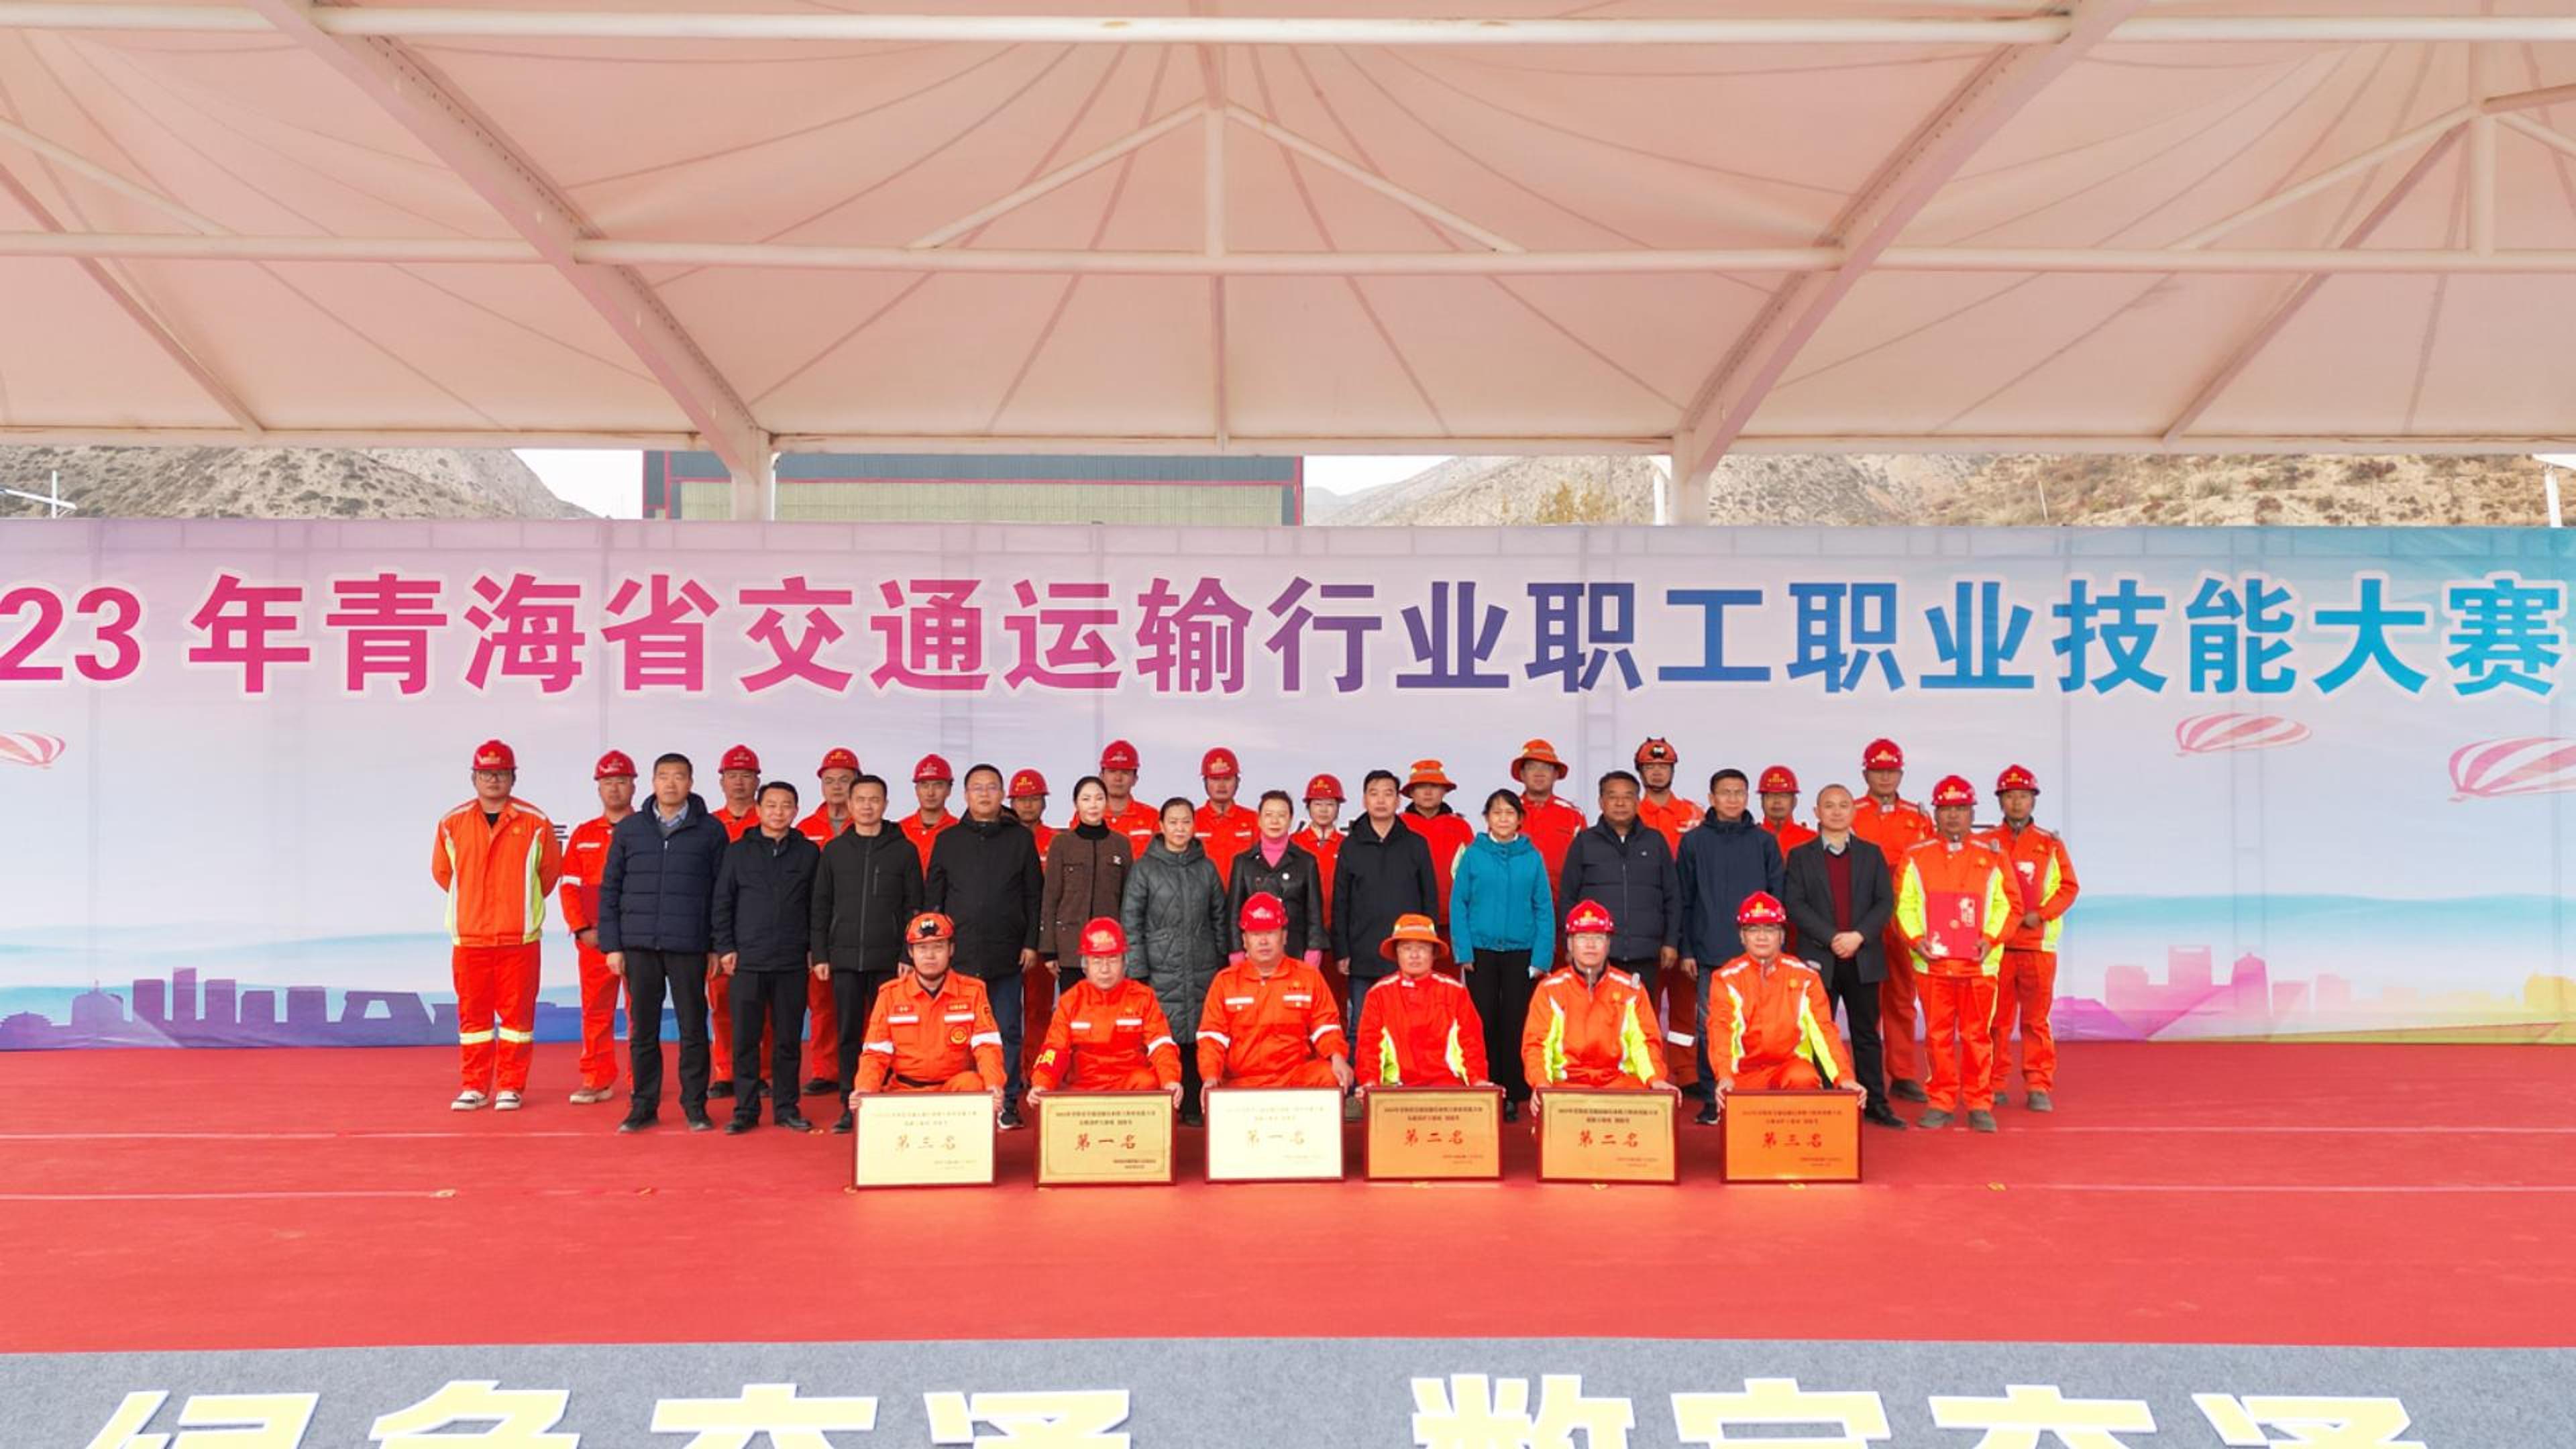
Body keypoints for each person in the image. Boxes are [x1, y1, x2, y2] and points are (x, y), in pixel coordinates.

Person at [598, 752, 729, 1133]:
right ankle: (643, 1105)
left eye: (679, 776)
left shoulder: (711, 831)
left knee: (693, 1028)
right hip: (639, 945)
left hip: (689, 944)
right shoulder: (630, 829)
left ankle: (695, 1106)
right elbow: (611, 889)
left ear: (691, 782)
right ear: (652, 783)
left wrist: (717, 946)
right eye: (664, 776)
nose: (671, 784)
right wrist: (613, 945)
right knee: (643, 1030)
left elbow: (722, 893)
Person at [430, 739, 562, 1112]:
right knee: (473, 1018)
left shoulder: (535, 822)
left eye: (501, 773)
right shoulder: (452, 823)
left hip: (518, 939)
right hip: (470, 939)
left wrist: (518, 907)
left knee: (517, 1019)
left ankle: (510, 1085)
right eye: (486, 774)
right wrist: (474, 905)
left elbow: (549, 874)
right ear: (473, 778)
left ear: (513, 778)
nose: (493, 780)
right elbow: (443, 874)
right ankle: (474, 1085)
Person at [925, 763, 1043, 1128]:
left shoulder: (1020, 839)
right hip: (959, 956)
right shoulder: (948, 840)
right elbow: (934, 900)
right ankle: (961, 1099)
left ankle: (1006, 1102)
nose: (984, 794)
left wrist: (1031, 943)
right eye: (977, 788)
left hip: (1007, 953)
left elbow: (1033, 896)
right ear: (965, 795)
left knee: (1006, 1029)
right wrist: (935, 949)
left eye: (992, 787)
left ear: (1002, 794)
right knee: (956, 1032)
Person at [1894, 775, 2013, 1133]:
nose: (1953, 816)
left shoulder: (1992, 855)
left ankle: (1979, 1102)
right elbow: (1904, 904)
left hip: (1978, 965)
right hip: (1934, 964)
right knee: (1938, 1036)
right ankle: (1942, 1100)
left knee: (1978, 1037)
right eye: (1946, 809)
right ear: (1936, 813)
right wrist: (1916, 939)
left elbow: (2006, 904)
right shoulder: (1916, 855)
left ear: (1972, 812)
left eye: (1961, 808)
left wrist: (1990, 939)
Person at [1781, 784, 1905, 1128]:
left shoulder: (1872, 854)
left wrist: (1858, 936)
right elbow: (1795, 905)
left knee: (1866, 1034)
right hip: (1819, 957)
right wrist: (1832, 937)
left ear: (1853, 812)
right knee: (1818, 1033)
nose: (1836, 812)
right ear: (1816, 813)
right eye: (1829, 806)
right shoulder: (1800, 856)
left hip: (1863, 956)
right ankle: (1824, 1101)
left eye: (1843, 805)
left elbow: (1885, 902)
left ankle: (1875, 1102)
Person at [808, 772, 922, 1133]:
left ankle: (886, 1101)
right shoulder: (835, 851)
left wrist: (908, 955)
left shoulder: (903, 850)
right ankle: (850, 1102)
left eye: (875, 800)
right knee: (847, 1034)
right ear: (849, 805)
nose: (867, 806)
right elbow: (821, 905)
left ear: (886, 804)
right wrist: (821, 953)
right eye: (860, 800)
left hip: (889, 961)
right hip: (843, 959)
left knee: (890, 1034)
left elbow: (914, 907)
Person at [1676, 767, 1784, 1125]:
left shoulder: (1764, 842)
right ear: (1711, 798)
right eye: (1725, 792)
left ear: (1748, 797)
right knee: (1712, 1028)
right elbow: (1684, 900)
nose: (1733, 799)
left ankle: (1756, 1094)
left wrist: (1773, 946)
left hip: (1759, 954)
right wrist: (1687, 949)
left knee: (1761, 1026)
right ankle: (1713, 1098)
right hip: (1710, 952)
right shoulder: (1693, 842)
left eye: (1739, 792)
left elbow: (1778, 899)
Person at [713, 781, 822, 1134]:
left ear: (796, 811)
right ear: (758, 810)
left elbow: (817, 906)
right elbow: (722, 903)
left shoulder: (808, 853)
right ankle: (745, 1110)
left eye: (786, 805)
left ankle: (787, 1108)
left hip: (792, 961)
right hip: (748, 960)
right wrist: (726, 947)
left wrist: (815, 949)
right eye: (771, 805)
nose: (778, 812)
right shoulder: (737, 852)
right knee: (745, 1040)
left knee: (788, 1040)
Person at [1974, 765, 2080, 1112]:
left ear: (2033, 800)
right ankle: (1994, 1083)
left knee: (2036, 1021)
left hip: (2037, 947)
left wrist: (2042, 914)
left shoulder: (2050, 844)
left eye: (2023, 796)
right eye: (2010, 796)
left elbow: (2069, 887)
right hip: (1998, 948)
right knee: (1996, 1021)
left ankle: (2038, 1084)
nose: (2017, 803)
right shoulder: (1985, 843)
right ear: (2000, 801)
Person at [1122, 798, 1228, 1124]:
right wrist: (1138, 969)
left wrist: (1223, 962)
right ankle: (1165, 1104)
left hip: (1202, 964)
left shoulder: (1206, 868)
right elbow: (1131, 921)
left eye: (1186, 822)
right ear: (1161, 826)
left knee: (1199, 1033)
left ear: (1194, 826)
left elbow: (1220, 917)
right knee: (1164, 1035)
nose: (1180, 829)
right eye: (1173, 822)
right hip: (1159, 967)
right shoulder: (1144, 868)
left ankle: (1195, 1104)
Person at [1706, 893, 1866, 1105]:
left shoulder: (1806, 977)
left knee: (1804, 1077)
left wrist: (1844, 1078)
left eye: (1770, 929)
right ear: (1742, 937)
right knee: (1732, 1101)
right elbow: (1721, 1031)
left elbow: (1824, 1031)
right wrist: (1724, 1076)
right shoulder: (1726, 978)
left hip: (1789, 1069)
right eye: (1753, 929)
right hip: (1743, 1075)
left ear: (1782, 936)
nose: (1762, 937)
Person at [1449, 790, 1552, 1121]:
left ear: (1520, 819)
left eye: (1509, 813)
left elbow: (1544, 908)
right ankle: (1486, 1086)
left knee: (1515, 1022)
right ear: (1487, 818)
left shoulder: (1532, 857)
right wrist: (1463, 951)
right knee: (1483, 1021)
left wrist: (1542, 958)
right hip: (1481, 952)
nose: (1503, 818)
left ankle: (1513, 1092)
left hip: (1522, 952)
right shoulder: (1473, 855)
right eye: (1497, 813)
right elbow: (1458, 904)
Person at [1195, 892, 1353, 1104]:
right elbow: (1212, 1038)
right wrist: (1210, 1076)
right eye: (1255, 934)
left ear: (1285, 936)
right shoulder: (1225, 982)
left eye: (1270, 932)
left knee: (1329, 1076)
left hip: (1294, 1079)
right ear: (1244, 940)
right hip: (1242, 1082)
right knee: (1214, 1094)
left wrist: (1337, 1057)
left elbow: (1326, 1027)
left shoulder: (1308, 977)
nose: (1263, 941)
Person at [1852, 738, 1935, 1106]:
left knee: (1902, 998)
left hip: (1903, 920)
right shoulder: (1851, 812)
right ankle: (1865, 1075)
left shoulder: (1919, 818)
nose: (1884, 777)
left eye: (1891, 771)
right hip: (1863, 919)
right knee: (1865, 999)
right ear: (1865, 774)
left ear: (1901, 774)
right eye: (1877, 770)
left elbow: (1930, 868)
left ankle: (1902, 1074)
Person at [851, 912, 1007, 1106]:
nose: (930, 956)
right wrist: (865, 1089)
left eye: (938, 947)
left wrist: (993, 1084)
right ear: (911, 952)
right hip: (905, 1091)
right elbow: (876, 1054)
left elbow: (987, 1046)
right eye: (922, 948)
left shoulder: (973, 992)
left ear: (951, 949)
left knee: (976, 1086)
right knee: (870, 1103)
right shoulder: (890, 995)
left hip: (955, 1089)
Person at [1521, 900, 1671, 1099]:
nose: (1590, 945)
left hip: (1619, 1086)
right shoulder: (1550, 990)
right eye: (1582, 937)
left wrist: (1656, 1079)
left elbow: (1645, 1043)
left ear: (1608, 944)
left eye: (1598, 937)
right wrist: (1541, 1083)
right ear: (1570, 944)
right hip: (1566, 1087)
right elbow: (1537, 1045)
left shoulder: (1631, 990)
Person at [1027, 917, 1183, 1104]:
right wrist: (1042, 1084)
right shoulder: (1070, 1001)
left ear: (1125, 962)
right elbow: (1055, 1048)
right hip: (1083, 1087)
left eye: (1113, 959)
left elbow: (1161, 1045)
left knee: (1148, 1081)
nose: (1105, 969)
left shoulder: (1143, 997)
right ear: (1085, 965)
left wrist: (1170, 1080)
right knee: (1054, 1098)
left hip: (1130, 1087)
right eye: (1097, 960)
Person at [1556, 770, 1680, 998]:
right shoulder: (1584, 842)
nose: (1620, 803)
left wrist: (1671, 942)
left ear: (1637, 802)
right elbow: (1568, 897)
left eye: (1628, 796)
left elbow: (1672, 896)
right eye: (1613, 797)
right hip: (1596, 953)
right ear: (1601, 802)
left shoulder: (1655, 841)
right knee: (1596, 1015)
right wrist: (1570, 945)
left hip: (1644, 953)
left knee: (1638, 1015)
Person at [557, 749, 635, 1106]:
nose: (614, 788)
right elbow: (569, 886)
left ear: (633, 786)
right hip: (595, 940)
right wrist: (581, 928)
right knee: (596, 1012)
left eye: (621, 781)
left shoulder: (646, 829)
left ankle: (641, 1081)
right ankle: (596, 1079)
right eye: (607, 782)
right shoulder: (584, 834)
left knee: (641, 1011)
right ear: (598, 788)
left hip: (636, 939)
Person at [1331, 769, 1439, 1020]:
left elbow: (1429, 899)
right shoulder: (1350, 846)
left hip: (1407, 955)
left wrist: (1427, 947)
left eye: (1388, 794)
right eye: (1374, 794)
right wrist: (1342, 951)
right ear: (1364, 800)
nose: (1381, 800)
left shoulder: (1416, 844)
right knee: (1362, 1026)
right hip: (1362, 955)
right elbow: (1341, 902)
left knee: (1410, 1026)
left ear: (1398, 801)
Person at [793, 747, 863, 1098]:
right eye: (830, 780)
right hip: (819, 929)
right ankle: (825, 1069)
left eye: (845, 780)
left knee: (862, 1006)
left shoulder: (868, 826)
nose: (837, 787)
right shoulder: (804, 829)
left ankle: (864, 1069)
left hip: (859, 929)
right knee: (821, 1004)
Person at [1354, 914, 1490, 1089]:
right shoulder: (1379, 994)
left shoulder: (1455, 991)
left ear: (1433, 953)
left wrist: (1478, 1080)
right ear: (1397, 953)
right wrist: (1370, 1082)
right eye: (1407, 948)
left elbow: (1471, 1042)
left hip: (1448, 1087)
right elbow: (1369, 1046)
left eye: (1422, 948)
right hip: (1395, 1090)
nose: (1414, 955)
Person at [1038, 775, 1135, 993]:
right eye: (1086, 799)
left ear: (1106, 802)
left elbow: (1129, 901)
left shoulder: (1120, 844)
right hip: (1070, 948)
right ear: (1076, 804)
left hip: (1110, 948)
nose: (1093, 805)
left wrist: (1128, 947)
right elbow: (1051, 897)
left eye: (1099, 798)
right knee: (1073, 1005)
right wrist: (1049, 950)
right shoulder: (1062, 843)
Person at [706, 743, 763, 1099]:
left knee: (764, 1008)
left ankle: (764, 1072)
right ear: (722, 781)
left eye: (746, 775)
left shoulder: (771, 819)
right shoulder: (708, 826)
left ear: (757, 781)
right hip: (720, 929)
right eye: (732, 776)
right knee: (723, 1004)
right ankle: (726, 1071)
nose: (739, 782)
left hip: (761, 928)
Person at [1223, 790, 1324, 963]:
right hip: (1253, 953)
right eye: (1269, 815)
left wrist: (1313, 951)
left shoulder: (1306, 862)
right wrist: (1236, 951)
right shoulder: (1243, 862)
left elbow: (1314, 913)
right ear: (1259, 820)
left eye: (1282, 815)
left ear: (1291, 820)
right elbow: (1233, 914)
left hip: (1294, 950)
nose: (1275, 821)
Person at [1397, 759, 1473, 931]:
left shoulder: (1461, 827)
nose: (1428, 792)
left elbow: (1473, 874)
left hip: (1453, 921)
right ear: (1412, 792)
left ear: (1444, 790)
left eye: (1434, 786)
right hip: (1408, 923)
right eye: (1421, 786)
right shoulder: (1398, 825)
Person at [1293, 773, 1346, 988]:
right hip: (1302, 936)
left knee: (1337, 996)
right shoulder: (1294, 844)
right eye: (1317, 804)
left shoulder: (1348, 845)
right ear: (1308, 807)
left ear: (1338, 807)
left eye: (1330, 804)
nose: (1324, 810)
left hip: (1337, 934)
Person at [1511, 739, 1588, 881]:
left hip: (1561, 895)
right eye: (1532, 767)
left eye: (1546, 767)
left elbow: (1585, 864)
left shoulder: (1574, 815)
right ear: (1522, 774)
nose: (1539, 773)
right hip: (1514, 895)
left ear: (1556, 775)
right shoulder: (1507, 811)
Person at [1194, 747, 1260, 885]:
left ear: (1238, 781)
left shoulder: (1254, 820)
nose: (1221, 785)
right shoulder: (1192, 821)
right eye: (1215, 779)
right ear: (1205, 782)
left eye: (1227, 779)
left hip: (1243, 895)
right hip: (1204, 895)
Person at [1633, 738, 1703, 855]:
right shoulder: (1631, 814)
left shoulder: (1694, 813)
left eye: (1663, 766)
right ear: (1640, 773)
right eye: (1650, 767)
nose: (1657, 772)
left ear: (1673, 771)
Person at [1096, 739, 1163, 856]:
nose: (1118, 778)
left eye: (1125, 772)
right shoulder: (1087, 815)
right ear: (1101, 776)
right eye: (1112, 771)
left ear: (1135, 779)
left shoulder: (1152, 817)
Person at [900, 753, 957, 872]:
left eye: (938, 785)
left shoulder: (959, 830)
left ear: (949, 790)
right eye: (924, 785)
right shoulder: (900, 830)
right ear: (917, 790)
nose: (930, 793)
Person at [1009, 769, 1057, 859]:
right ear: (1012, 805)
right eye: (1021, 800)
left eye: (1035, 799)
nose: (1028, 805)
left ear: (1044, 804)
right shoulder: (1001, 840)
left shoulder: (1057, 840)